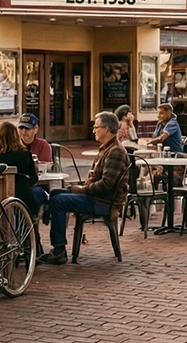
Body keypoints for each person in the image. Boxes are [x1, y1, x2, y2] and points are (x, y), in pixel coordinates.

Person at [38, 111, 130, 265]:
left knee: (58, 202)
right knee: (55, 193)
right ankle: (52, 227)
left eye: (96, 127)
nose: (93, 130)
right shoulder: (106, 148)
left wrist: (80, 189)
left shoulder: (116, 152)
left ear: (107, 129)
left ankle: (59, 250)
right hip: (95, 196)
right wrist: (78, 187)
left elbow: (106, 184)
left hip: (103, 202)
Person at [0, 121, 45, 218]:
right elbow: (33, 179)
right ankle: (40, 218)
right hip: (22, 199)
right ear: (16, 137)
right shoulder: (25, 155)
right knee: (40, 192)